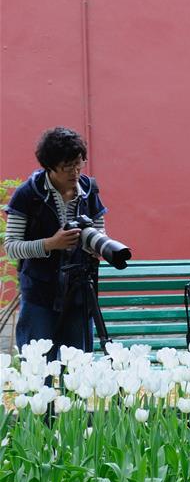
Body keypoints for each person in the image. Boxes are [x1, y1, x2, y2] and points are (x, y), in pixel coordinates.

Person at [5, 127, 108, 353]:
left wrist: (95, 246)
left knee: (78, 366)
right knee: (39, 364)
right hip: (40, 294)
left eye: (78, 164)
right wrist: (51, 243)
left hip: (79, 292)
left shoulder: (89, 191)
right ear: (50, 167)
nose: (75, 172)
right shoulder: (28, 194)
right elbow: (11, 246)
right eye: (67, 167)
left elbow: (100, 233)